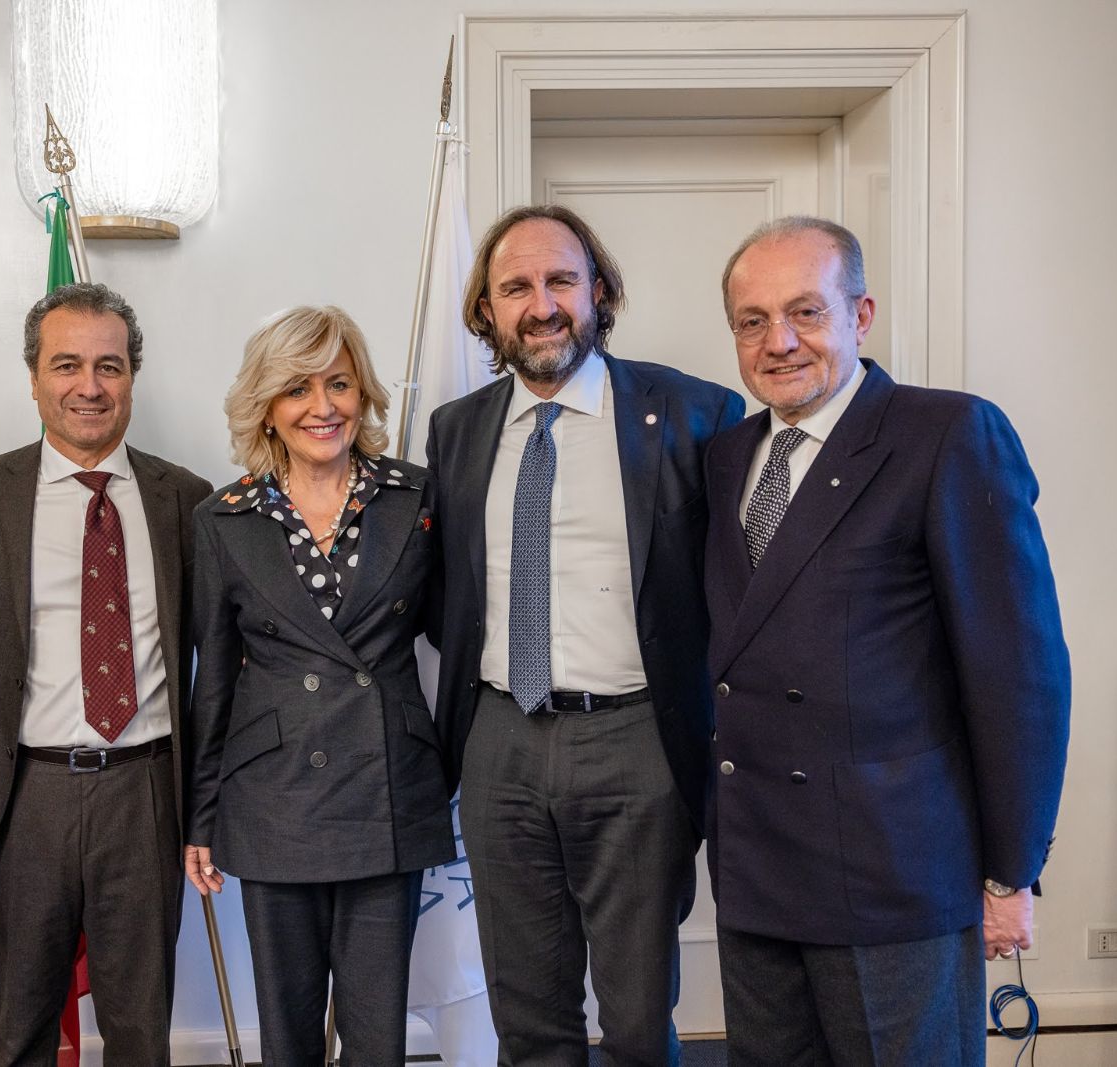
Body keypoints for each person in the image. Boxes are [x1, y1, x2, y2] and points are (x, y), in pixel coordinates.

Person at [704, 216, 1071, 1064]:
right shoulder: (726, 456)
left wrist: (1009, 871)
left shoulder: (947, 434)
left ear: (861, 314)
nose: (778, 342)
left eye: (806, 311)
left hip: (892, 877)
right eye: (753, 321)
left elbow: (1019, 676)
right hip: (757, 872)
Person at [427, 204, 745, 1065]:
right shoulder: (456, 430)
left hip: (637, 739)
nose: (542, 304)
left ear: (598, 291)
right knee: (527, 1017)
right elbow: (447, 589)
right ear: (486, 310)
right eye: (516, 287)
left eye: (561, 280)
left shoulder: (694, 412)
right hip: (499, 741)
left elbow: (738, 585)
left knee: (638, 1016)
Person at [0, 282, 212, 1065]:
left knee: (140, 1034)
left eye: (109, 366)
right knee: (23, 1029)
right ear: (33, 378)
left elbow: (225, 658)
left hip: (147, 794)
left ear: (132, 378)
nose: (89, 385)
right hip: (23, 797)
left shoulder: (187, 500)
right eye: (67, 365)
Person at [186, 305, 454, 1066]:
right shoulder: (223, 517)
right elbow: (214, 678)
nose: (322, 406)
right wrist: (200, 816)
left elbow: (458, 636)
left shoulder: (416, 498)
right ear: (267, 406)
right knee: (288, 1038)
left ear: (363, 393)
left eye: (339, 383)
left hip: (386, 790)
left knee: (377, 1038)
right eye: (297, 388)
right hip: (274, 800)